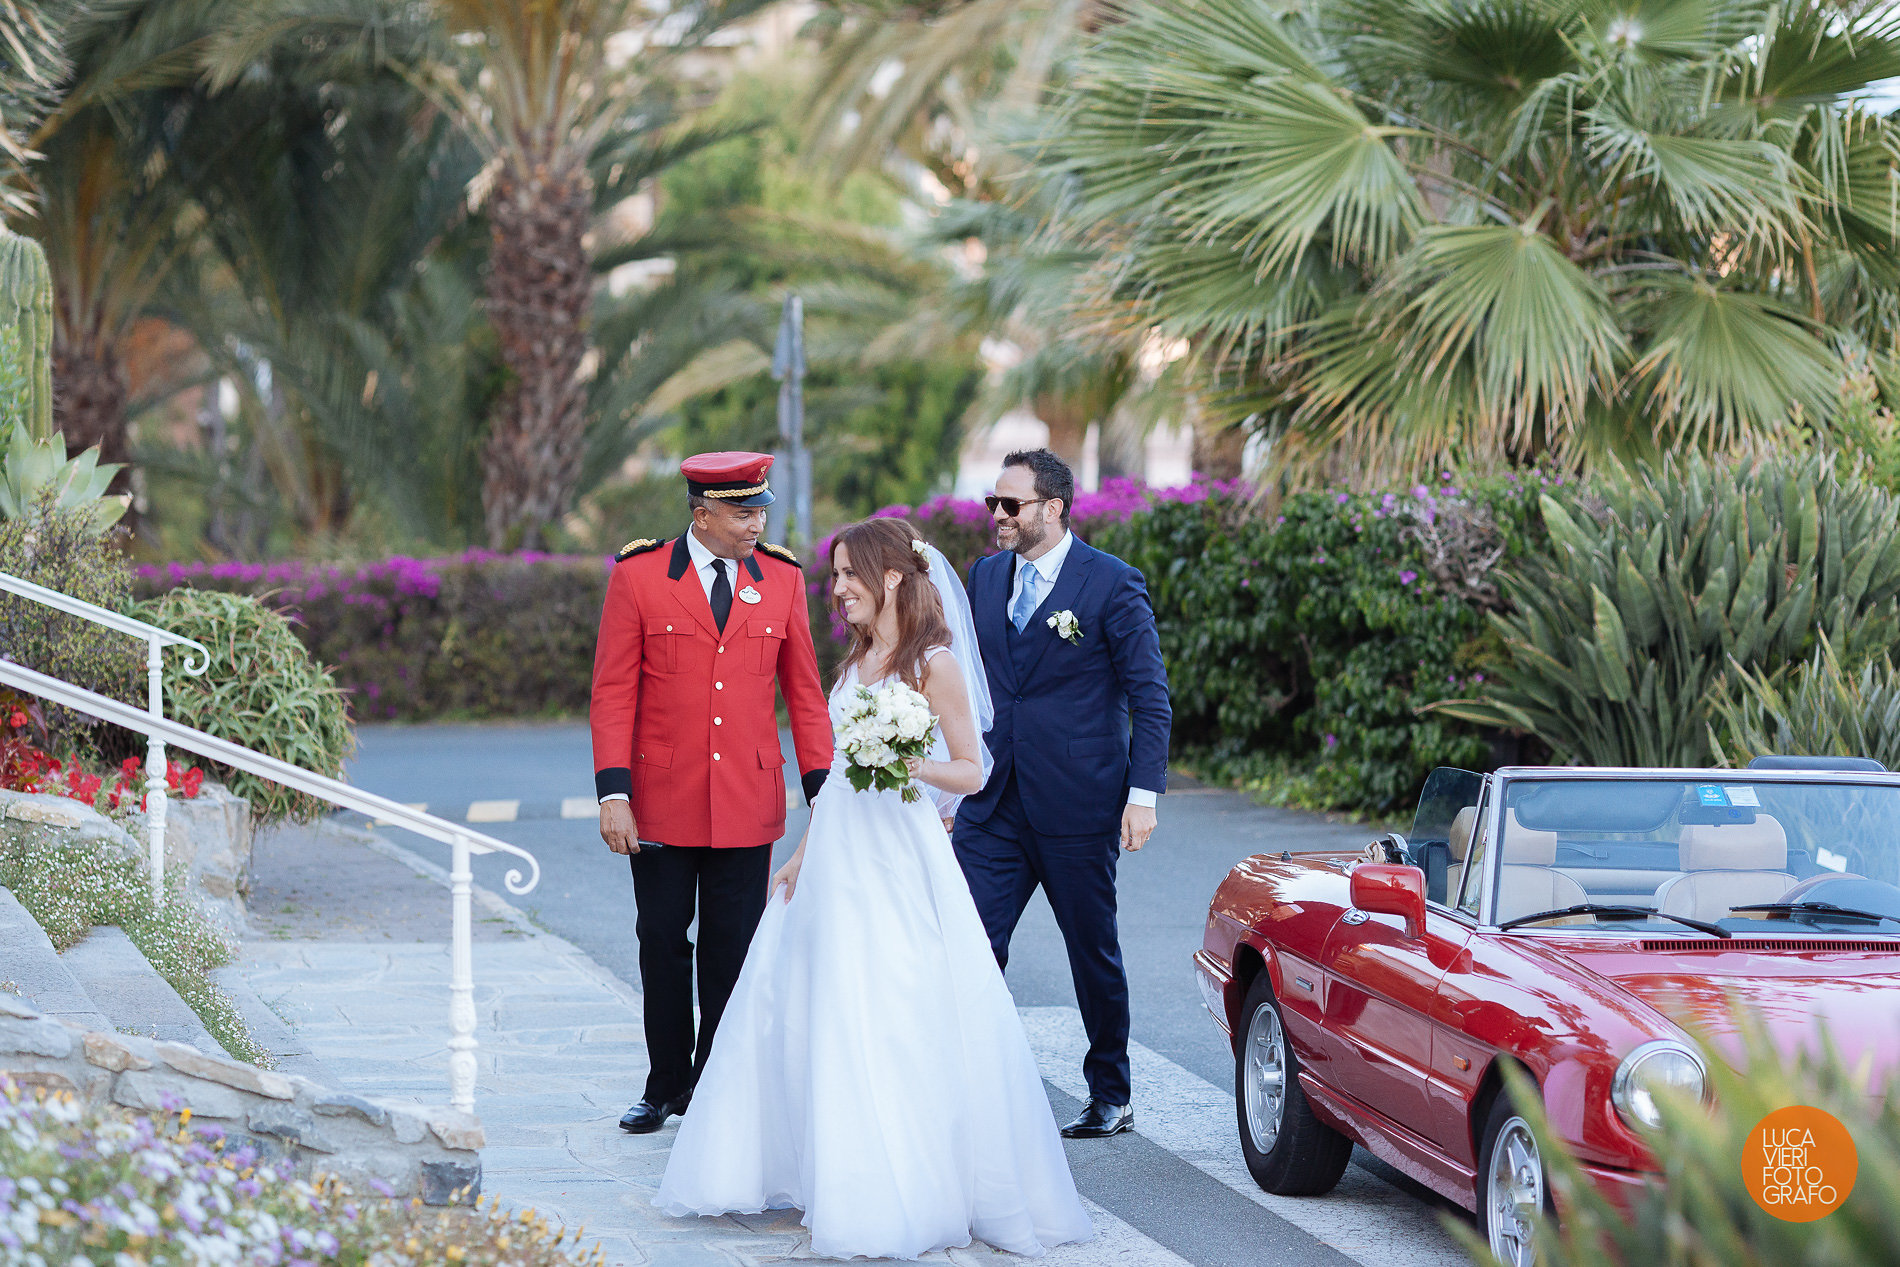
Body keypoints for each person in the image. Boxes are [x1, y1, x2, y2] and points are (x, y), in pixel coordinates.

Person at [654, 518, 1092, 1261]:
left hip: (899, 857)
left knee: (889, 1005)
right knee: (808, 1001)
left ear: (892, 577)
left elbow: (973, 770)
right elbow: (837, 784)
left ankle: (896, 1183)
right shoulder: (855, 661)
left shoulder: (935, 664)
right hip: (838, 854)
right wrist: (802, 850)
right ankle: (818, 1168)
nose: (839, 590)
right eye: (833, 577)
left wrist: (908, 763)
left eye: (849, 574)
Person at [590, 451, 833, 1136]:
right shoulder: (639, 577)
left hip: (746, 798)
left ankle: (715, 1082)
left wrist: (823, 791)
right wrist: (614, 792)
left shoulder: (782, 580)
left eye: (761, 508)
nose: (758, 521)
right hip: (660, 798)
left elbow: (805, 694)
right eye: (743, 510)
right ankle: (664, 1083)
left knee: (732, 948)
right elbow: (613, 693)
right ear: (702, 513)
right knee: (662, 940)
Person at [953, 448, 1172, 1139]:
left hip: (1078, 805)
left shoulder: (1111, 583)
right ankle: (966, 1087)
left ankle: (1111, 1090)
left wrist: (1144, 795)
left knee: (1091, 952)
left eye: (1010, 505)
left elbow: (1150, 697)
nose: (997, 516)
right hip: (992, 804)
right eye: (993, 503)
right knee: (968, 945)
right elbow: (964, 684)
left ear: (1053, 508)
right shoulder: (984, 578)